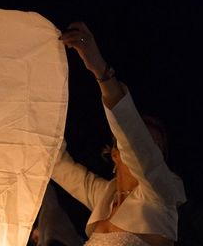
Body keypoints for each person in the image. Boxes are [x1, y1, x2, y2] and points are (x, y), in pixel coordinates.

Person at [51, 22, 186, 246]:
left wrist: (102, 72)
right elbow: (55, 162)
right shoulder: (103, 196)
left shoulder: (162, 196)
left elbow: (132, 138)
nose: (146, 148)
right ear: (115, 153)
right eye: (147, 141)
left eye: (155, 147)